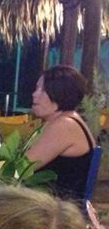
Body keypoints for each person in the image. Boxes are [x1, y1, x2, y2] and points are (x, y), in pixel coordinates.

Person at [26, 65, 95, 201]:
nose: (34, 94)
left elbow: (21, 167)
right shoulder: (67, 120)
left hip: (58, 209)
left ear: (60, 94)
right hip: (52, 204)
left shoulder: (64, 125)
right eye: (36, 88)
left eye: (43, 90)